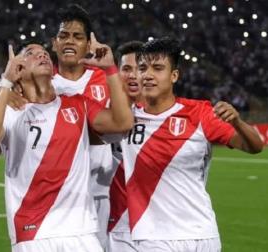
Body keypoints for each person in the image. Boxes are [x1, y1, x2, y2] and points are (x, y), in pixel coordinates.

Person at [0, 37, 133, 251]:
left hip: (81, 231)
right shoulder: (10, 109)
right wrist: (6, 82)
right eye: (31, 53)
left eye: (44, 52)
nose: (42, 54)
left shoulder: (78, 104)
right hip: (33, 233)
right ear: (18, 69)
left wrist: (110, 70)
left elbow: (123, 123)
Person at [121, 37, 263, 252]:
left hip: (201, 234)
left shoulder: (200, 114)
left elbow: (254, 146)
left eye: (158, 68)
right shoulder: (125, 119)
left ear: (174, 75)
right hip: (152, 237)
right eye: (142, 68)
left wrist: (237, 121)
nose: (148, 75)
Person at [50, 4, 115, 248]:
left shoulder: (105, 78)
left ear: (89, 45)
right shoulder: (43, 83)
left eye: (78, 37)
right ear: (54, 43)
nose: (70, 41)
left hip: (99, 192)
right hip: (56, 195)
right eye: (63, 35)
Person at [107, 40, 144, 252]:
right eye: (126, 69)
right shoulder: (100, 114)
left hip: (147, 227)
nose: (132, 75)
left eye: (139, 68)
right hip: (103, 224)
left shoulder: (161, 118)